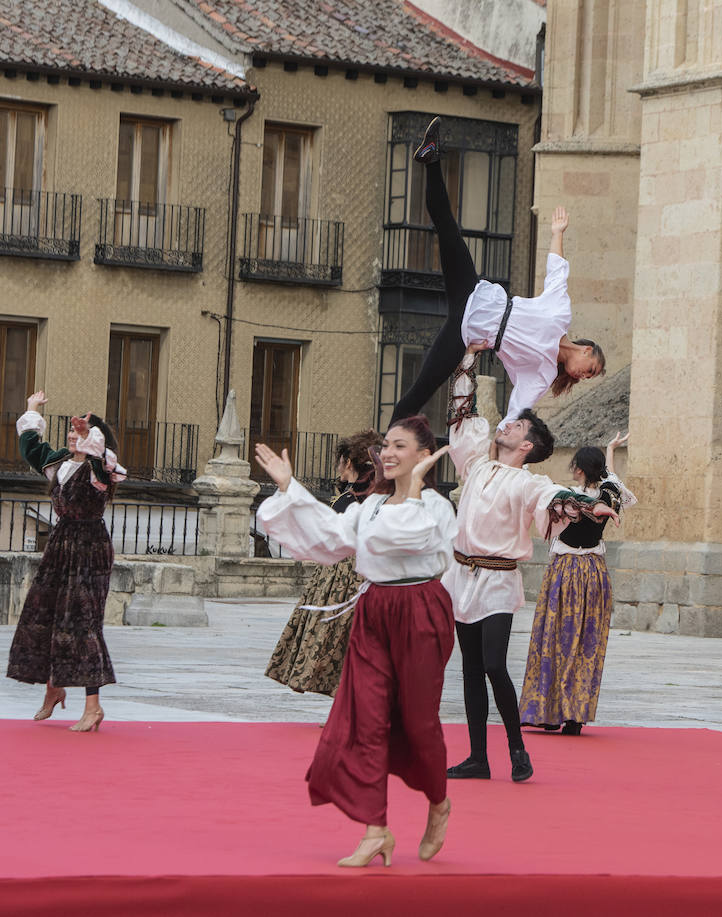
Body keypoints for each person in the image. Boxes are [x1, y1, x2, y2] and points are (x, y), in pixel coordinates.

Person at [254, 416, 458, 868]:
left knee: (419, 722)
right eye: (385, 445)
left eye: (399, 446)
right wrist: (292, 489)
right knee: (366, 719)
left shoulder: (435, 508)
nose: (386, 453)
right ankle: (375, 829)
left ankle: (439, 802)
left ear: (424, 457)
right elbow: (333, 534)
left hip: (421, 610)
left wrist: (414, 490)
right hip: (373, 613)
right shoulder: (370, 507)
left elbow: (410, 536)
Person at [442, 346, 616, 782]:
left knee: (494, 665)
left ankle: (517, 749)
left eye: (516, 424)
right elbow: (461, 416)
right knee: (468, 669)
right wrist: (467, 360)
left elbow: (553, 497)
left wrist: (586, 506)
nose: (506, 424)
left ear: (526, 444)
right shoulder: (476, 465)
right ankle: (478, 757)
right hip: (462, 576)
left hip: (499, 580)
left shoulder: (528, 481)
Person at [390, 116, 605, 430]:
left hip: (465, 333)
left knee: (421, 391)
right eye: (591, 369)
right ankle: (432, 157)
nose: (585, 376)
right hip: (475, 293)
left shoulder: (543, 373)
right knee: (448, 229)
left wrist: (504, 440)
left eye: (588, 377)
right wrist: (557, 232)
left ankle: (382, 451)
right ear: (587, 350)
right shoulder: (560, 314)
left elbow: (518, 408)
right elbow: (556, 272)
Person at [6, 391, 126, 732]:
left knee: (83, 623)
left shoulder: (99, 468)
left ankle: (93, 706)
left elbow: (103, 461)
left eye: (81, 432)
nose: (73, 435)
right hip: (61, 543)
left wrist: (92, 436)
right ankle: (54, 686)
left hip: (89, 548)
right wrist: (31, 408)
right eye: (72, 431)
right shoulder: (59, 464)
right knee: (45, 613)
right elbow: (31, 447)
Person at [520, 432, 635, 735]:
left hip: (566, 570)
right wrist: (611, 450)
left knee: (554, 638)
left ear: (580, 469)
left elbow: (552, 500)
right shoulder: (609, 496)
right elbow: (611, 480)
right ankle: (575, 714)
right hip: (595, 573)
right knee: (585, 642)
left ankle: (547, 710)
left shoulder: (567, 497)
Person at [266, 430, 382, 696]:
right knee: (345, 641)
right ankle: (348, 703)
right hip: (357, 574)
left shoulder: (349, 499)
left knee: (334, 639)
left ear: (349, 463)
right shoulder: (372, 495)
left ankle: (348, 705)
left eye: (340, 461)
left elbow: (322, 530)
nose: (338, 468)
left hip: (342, 578)